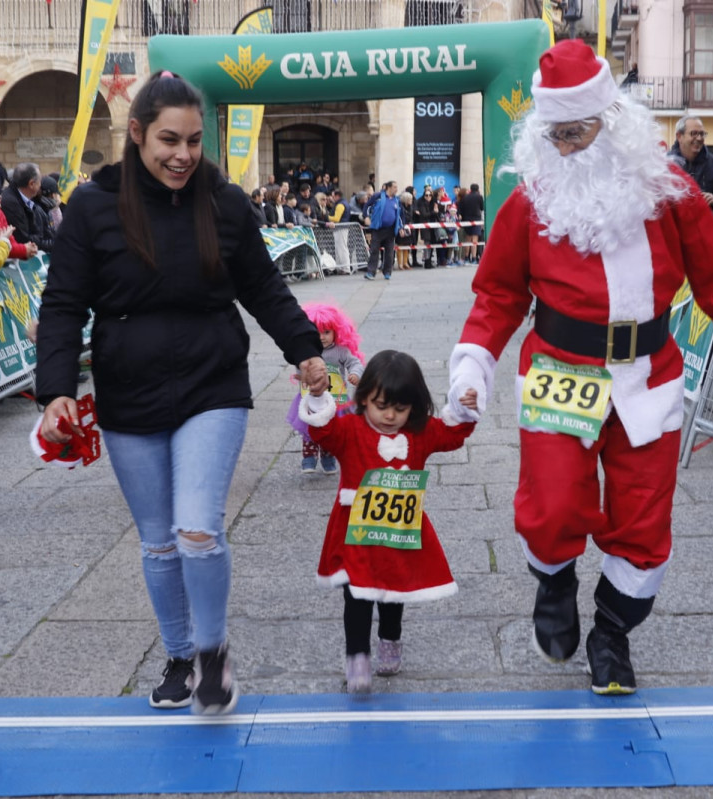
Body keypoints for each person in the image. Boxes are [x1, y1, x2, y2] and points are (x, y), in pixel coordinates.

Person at [446, 39, 713, 695]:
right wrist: (472, 365)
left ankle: (611, 633)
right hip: (560, 370)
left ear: (612, 124)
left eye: (577, 132)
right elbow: (498, 296)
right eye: (555, 135)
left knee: (643, 522)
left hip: (648, 373)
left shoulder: (672, 194)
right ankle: (555, 581)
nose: (565, 148)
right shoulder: (530, 203)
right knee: (551, 506)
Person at [34, 71, 327, 714]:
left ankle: (213, 653)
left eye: (194, 141)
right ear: (136, 133)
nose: (183, 155)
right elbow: (61, 306)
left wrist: (305, 350)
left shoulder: (222, 202)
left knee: (196, 527)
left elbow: (263, 287)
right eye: (169, 139)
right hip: (127, 392)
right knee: (158, 540)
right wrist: (54, 389)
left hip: (211, 382)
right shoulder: (93, 207)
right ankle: (178, 653)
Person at [298, 350, 479, 693]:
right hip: (356, 534)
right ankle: (357, 657)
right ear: (364, 397)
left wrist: (464, 405)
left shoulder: (420, 433)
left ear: (414, 406)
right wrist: (319, 395)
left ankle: (390, 639)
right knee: (356, 595)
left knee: (394, 594)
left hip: (399, 532)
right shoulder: (349, 428)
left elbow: (452, 435)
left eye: (400, 408)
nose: (390, 416)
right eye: (381, 406)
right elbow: (322, 431)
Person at [287, 302, 365, 474]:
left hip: (335, 398)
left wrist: (355, 374)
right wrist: (301, 375)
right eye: (317, 332)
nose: (321, 337)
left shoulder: (341, 351)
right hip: (311, 396)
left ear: (337, 331)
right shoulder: (308, 351)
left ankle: (328, 457)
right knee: (309, 426)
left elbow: (355, 362)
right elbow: (300, 365)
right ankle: (309, 457)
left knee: (330, 429)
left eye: (327, 332)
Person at [667, 115, 713, 211]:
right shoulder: (666, 164)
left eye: (702, 134)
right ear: (679, 136)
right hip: (674, 224)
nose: (699, 138)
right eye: (694, 133)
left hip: (702, 223)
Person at [364, 181, 409, 280]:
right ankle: (371, 272)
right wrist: (366, 217)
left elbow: (401, 216)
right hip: (378, 229)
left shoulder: (397, 200)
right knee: (374, 250)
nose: (396, 189)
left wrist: (401, 227)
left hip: (390, 230)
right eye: (394, 187)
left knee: (389, 252)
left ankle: (387, 272)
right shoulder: (378, 196)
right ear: (388, 188)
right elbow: (367, 206)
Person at [413, 186, 441, 268]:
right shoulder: (421, 203)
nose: (428, 197)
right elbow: (424, 214)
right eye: (426, 195)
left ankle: (429, 260)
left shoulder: (434, 203)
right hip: (425, 226)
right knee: (427, 243)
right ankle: (427, 261)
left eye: (430, 195)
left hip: (433, 226)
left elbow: (436, 214)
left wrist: (436, 212)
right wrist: (434, 212)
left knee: (432, 243)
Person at [457, 183, 484, 263]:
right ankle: (474, 258)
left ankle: (466, 257)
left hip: (467, 220)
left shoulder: (465, 197)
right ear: (477, 189)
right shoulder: (479, 197)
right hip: (476, 220)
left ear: (471, 189)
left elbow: (460, 209)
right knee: (474, 240)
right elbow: (482, 207)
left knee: (467, 239)